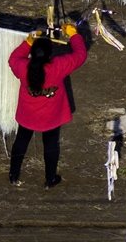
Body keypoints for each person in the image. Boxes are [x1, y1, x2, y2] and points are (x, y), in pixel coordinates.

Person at [7, 22, 88, 188]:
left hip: (28, 113)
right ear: (50, 55)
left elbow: (13, 59)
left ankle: (13, 175)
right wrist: (74, 35)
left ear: (32, 54)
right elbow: (80, 55)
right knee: (51, 145)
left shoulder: (23, 67)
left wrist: (27, 43)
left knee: (21, 141)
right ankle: (50, 179)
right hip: (51, 115)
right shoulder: (59, 66)